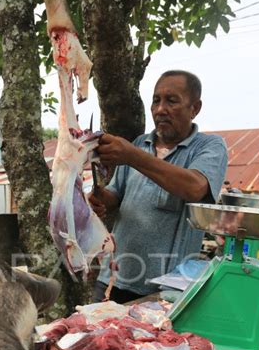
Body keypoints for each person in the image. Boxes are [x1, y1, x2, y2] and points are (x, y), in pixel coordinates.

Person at [89, 70, 228, 303]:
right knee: (96, 337)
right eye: (156, 100)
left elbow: (194, 187)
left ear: (195, 108)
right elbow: (116, 194)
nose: (160, 109)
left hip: (165, 290)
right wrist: (100, 199)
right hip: (113, 278)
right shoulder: (138, 144)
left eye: (171, 101)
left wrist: (132, 156)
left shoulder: (209, 147)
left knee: (154, 340)